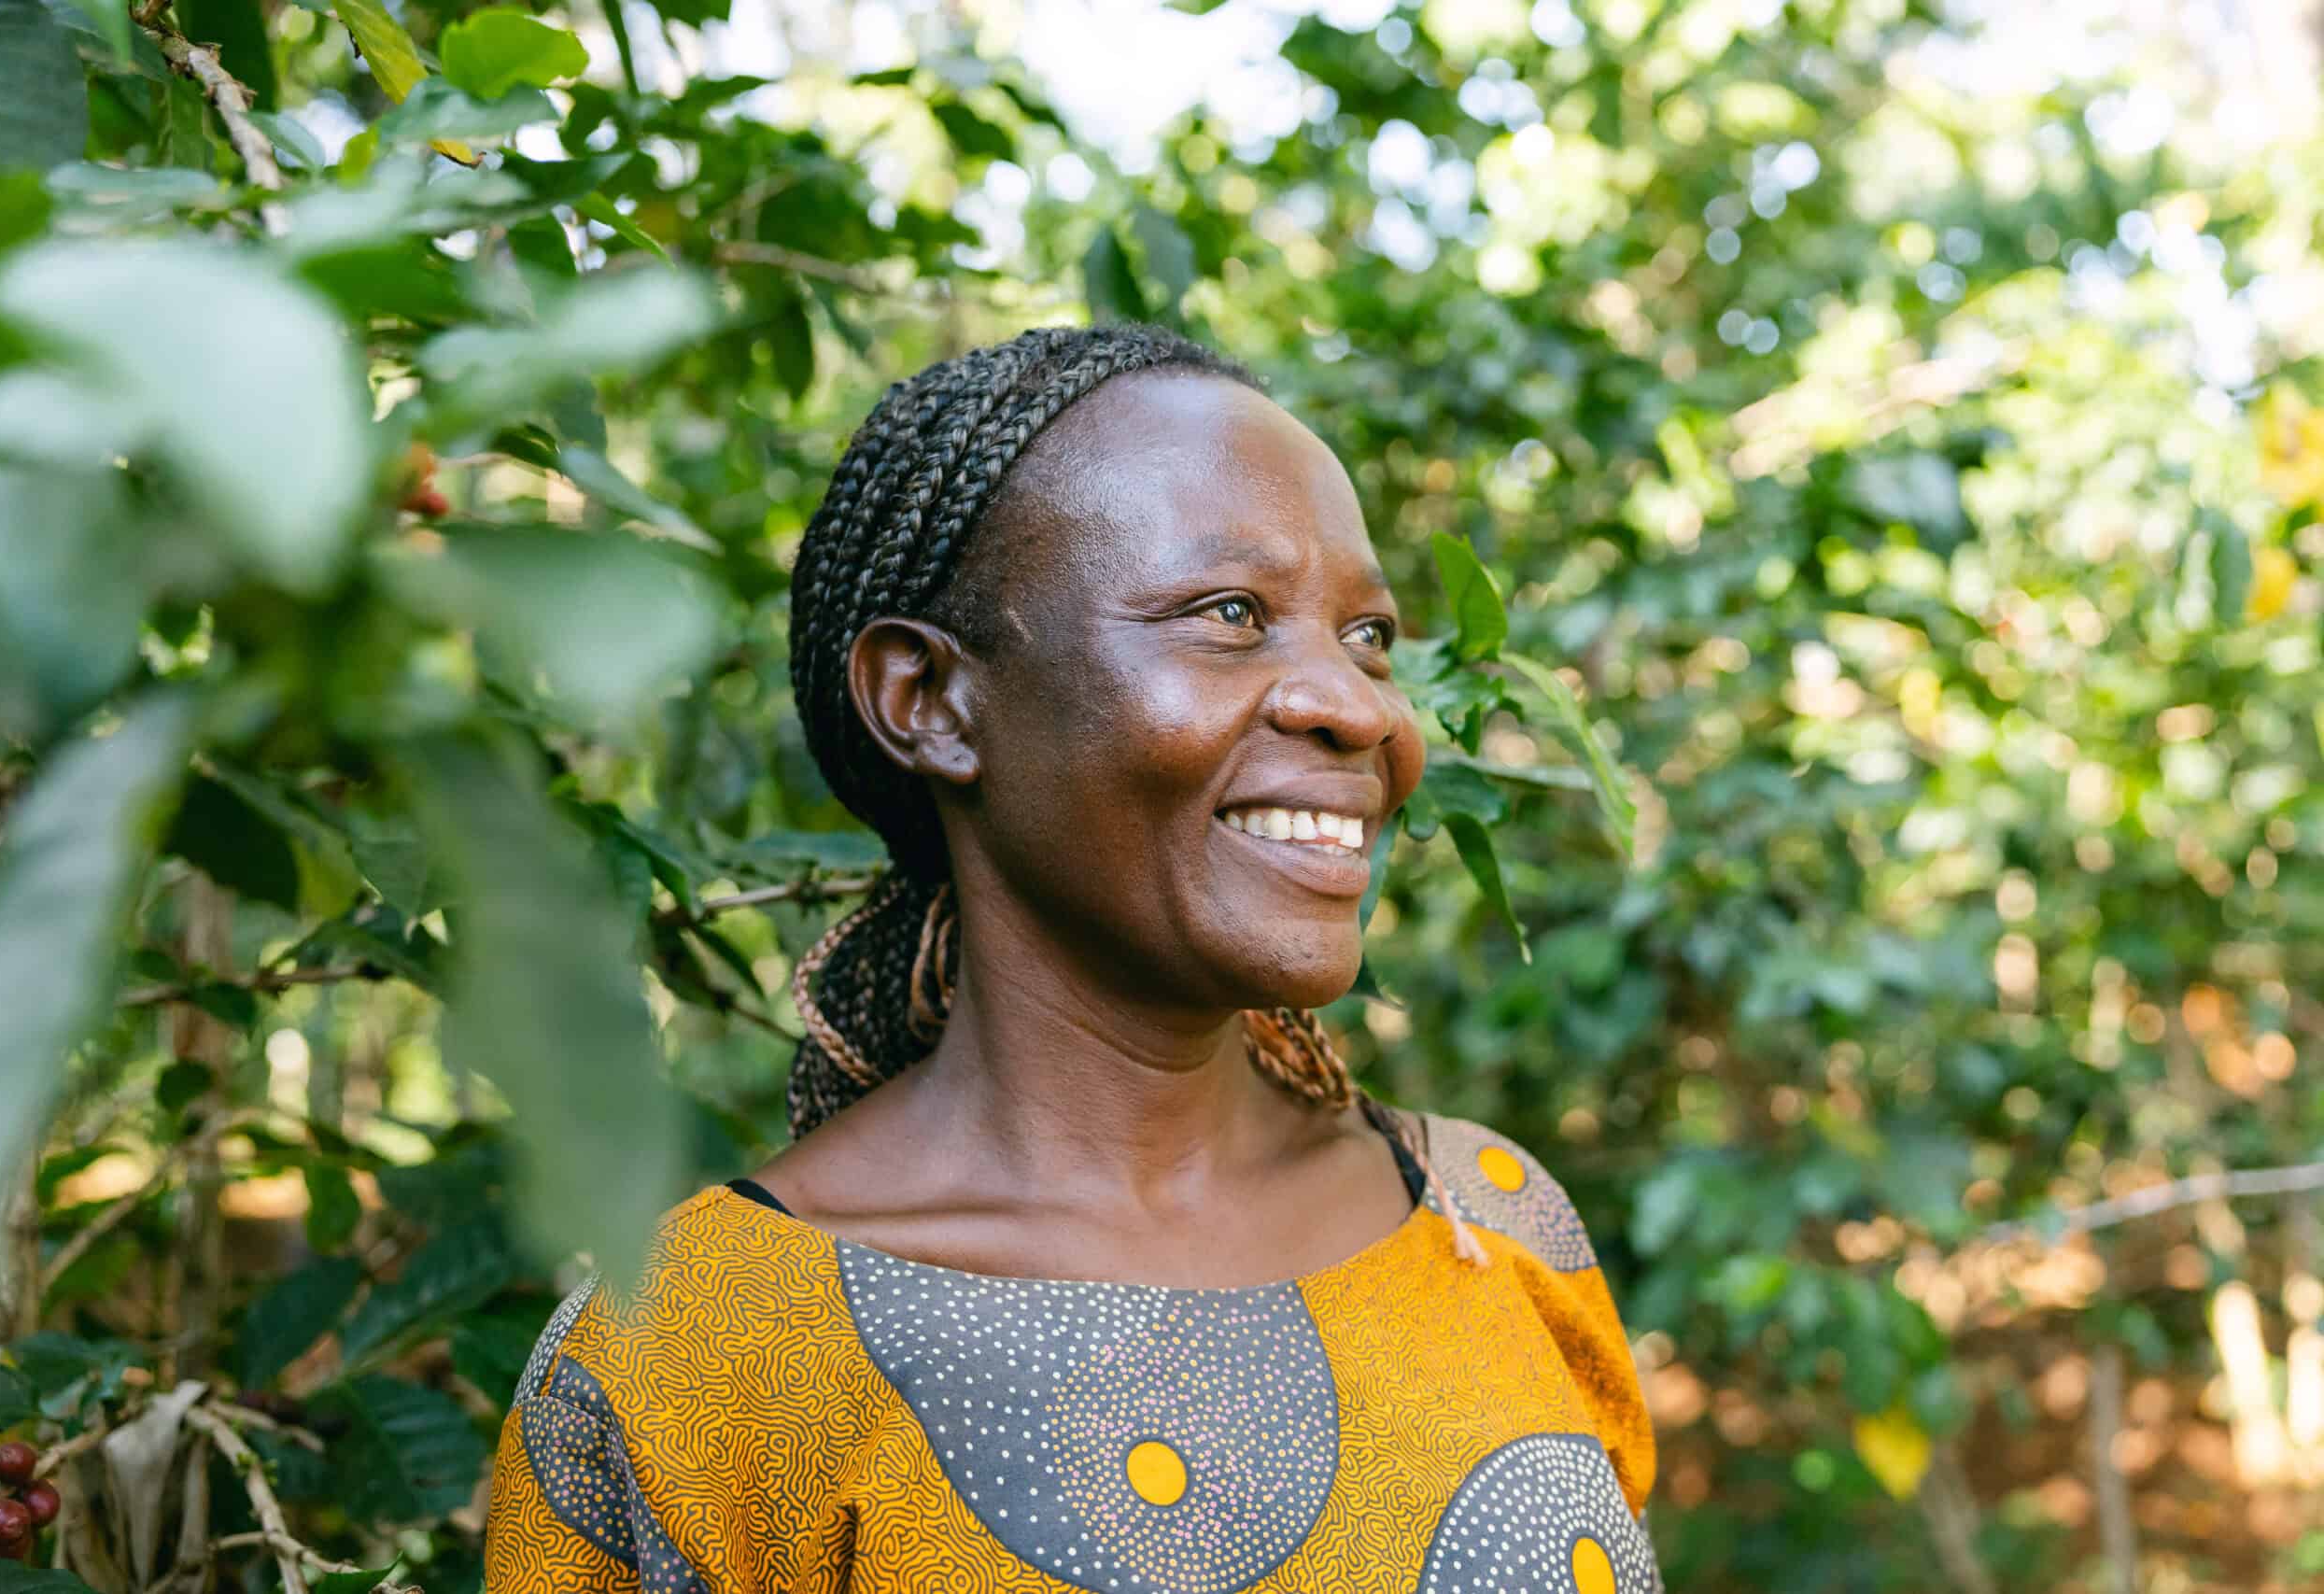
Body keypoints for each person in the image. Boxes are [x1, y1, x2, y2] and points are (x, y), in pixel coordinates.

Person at [484, 324, 1659, 1593]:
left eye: (1367, 634)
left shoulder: (1496, 1220)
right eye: (1230, 613)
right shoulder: (690, 1359)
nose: (1362, 706)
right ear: (929, 702)